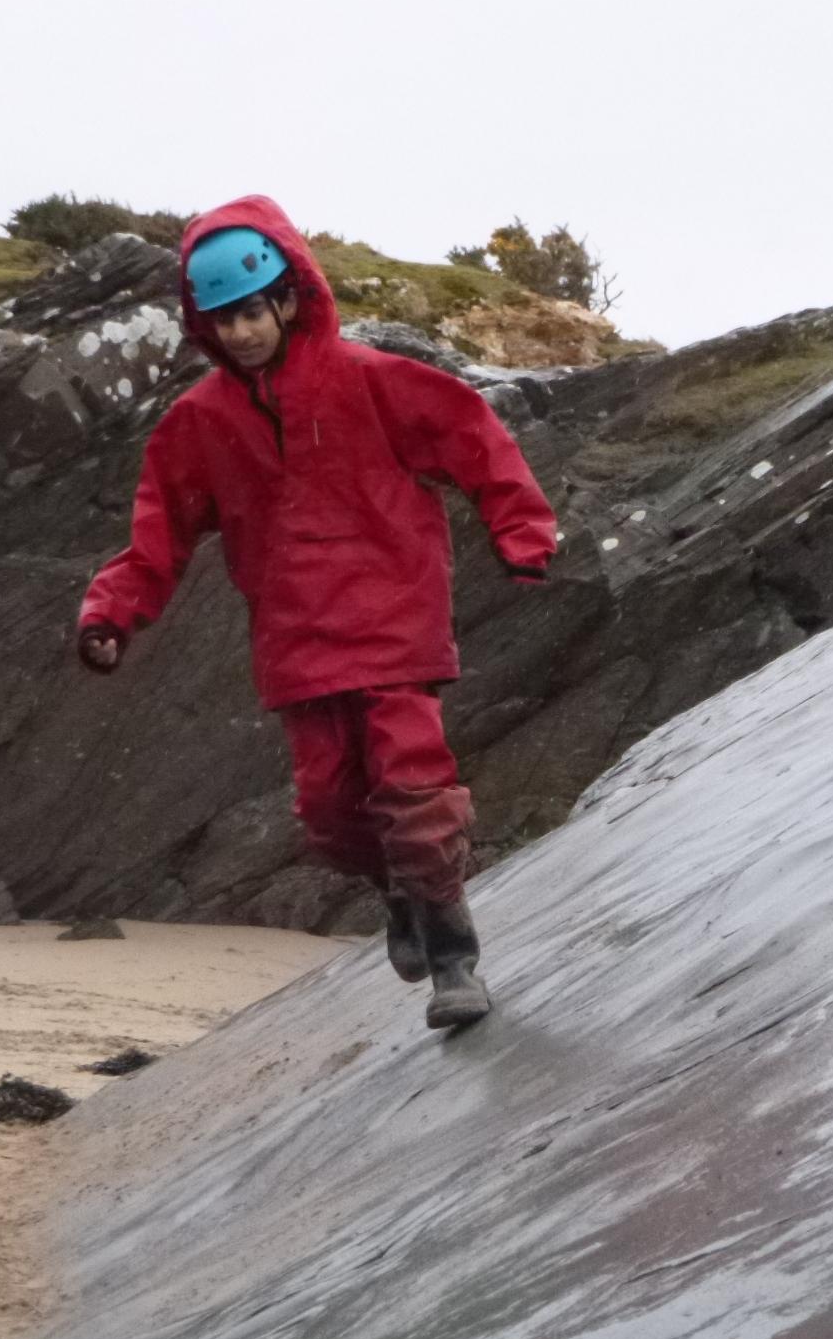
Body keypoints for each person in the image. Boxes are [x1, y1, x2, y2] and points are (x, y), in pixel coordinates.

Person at [77, 195, 556, 1030]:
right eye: (222, 320)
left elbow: (477, 441)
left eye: (252, 312)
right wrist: (111, 614)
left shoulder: (375, 380)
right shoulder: (197, 425)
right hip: (297, 646)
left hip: (395, 627)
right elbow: (158, 535)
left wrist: (523, 536)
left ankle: (453, 961)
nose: (241, 333)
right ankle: (398, 896)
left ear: (289, 298)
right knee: (331, 818)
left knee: (415, 795)